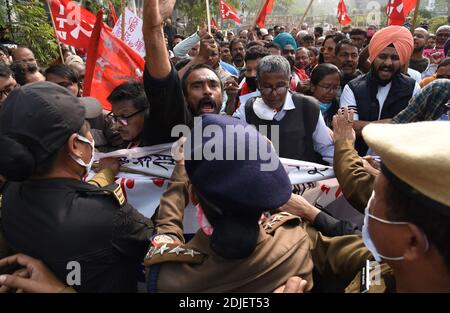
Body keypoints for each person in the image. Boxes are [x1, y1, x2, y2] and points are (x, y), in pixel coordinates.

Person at [0, 82, 154, 292]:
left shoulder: (10, 194)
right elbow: (158, 243)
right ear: (75, 146)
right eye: (87, 129)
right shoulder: (107, 215)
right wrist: (177, 191)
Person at [145, 114, 314, 292]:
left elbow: (167, 232)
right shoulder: (296, 243)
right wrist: (260, 162)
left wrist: (180, 176)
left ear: (193, 195)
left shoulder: (166, 278)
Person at [234, 55, 334, 164]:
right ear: (258, 83)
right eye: (267, 86)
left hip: (301, 178)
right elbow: (233, 145)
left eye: (280, 86)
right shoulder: (247, 109)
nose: (274, 93)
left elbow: (326, 148)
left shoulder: (308, 107)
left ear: (289, 81)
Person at [340, 25, 420, 156]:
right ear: (373, 56)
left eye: (395, 58)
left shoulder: (413, 88)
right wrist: (390, 125)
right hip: (360, 161)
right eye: (382, 56)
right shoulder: (353, 88)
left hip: (398, 162)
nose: (388, 63)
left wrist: (368, 126)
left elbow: (416, 127)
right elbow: (348, 126)